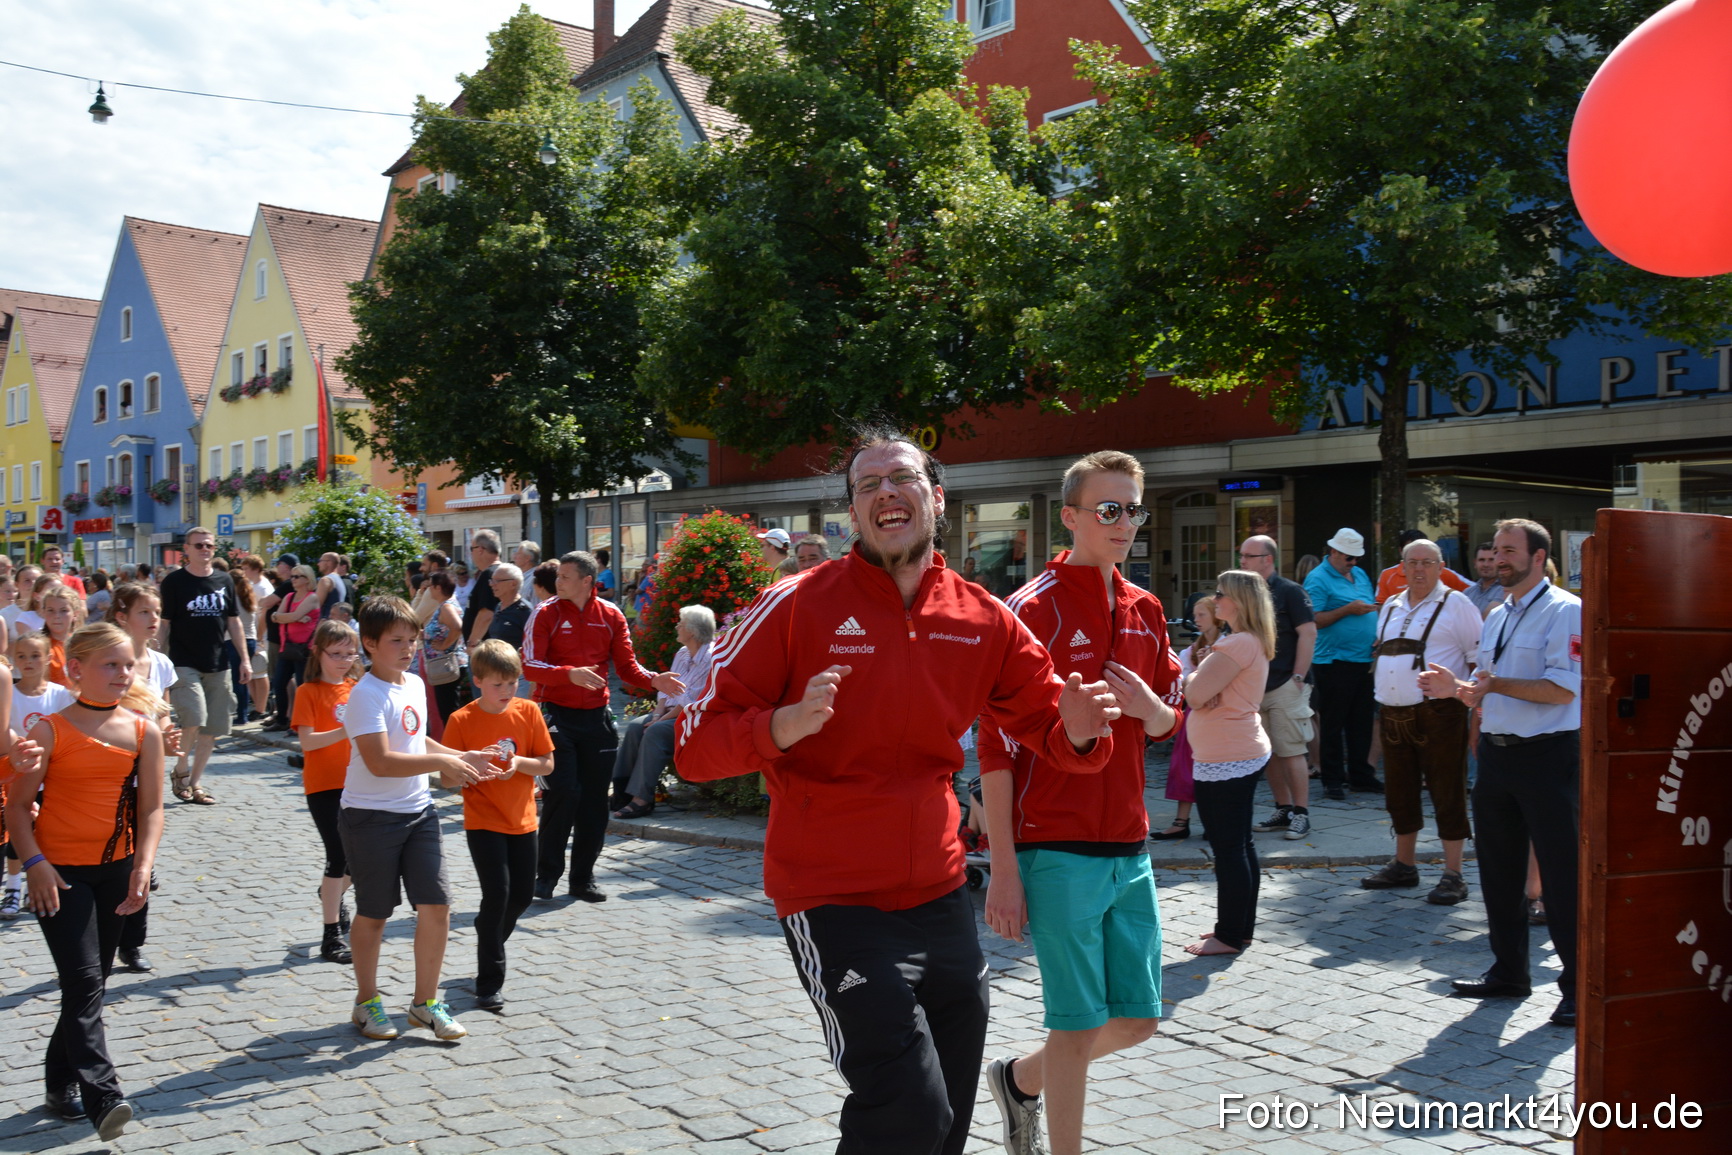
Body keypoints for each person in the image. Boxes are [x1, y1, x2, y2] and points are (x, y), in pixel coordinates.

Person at [676, 429, 1120, 1155]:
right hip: (833, 896)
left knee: (945, 1117)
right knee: (907, 1103)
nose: (886, 491)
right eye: (867, 484)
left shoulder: (981, 616)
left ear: (935, 499)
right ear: (853, 511)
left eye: (902, 477)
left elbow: (1050, 726)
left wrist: (1075, 731)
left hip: (940, 892)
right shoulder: (792, 606)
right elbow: (693, 745)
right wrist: (781, 725)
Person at [976, 450, 1181, 1155]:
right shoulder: (1030, 609)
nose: (1124, 522)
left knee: (1138, 1018)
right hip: (1055, 845)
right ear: (1071, 516)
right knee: (1075, 1022)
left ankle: (1019, 1080)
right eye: (1109, 508)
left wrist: (1155, 711)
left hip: (1131, 842)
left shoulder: (1147, 608)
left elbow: (1167, 718)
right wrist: (1003, 868)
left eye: (1133, 508)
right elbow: (995, 748)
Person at [1421, 519, 1582, 1027]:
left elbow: (1563, 689)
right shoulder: (1496, 613)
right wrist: (1459, 689)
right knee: (1498, 870)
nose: (1500, 557)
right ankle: (1509, 971)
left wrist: (1491, 686)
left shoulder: (1566, 611)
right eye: (1496, 549)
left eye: (1511, 550)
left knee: (1561, 877)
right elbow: (1484, 686)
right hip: (1496, 755)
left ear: (1539, 557)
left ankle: (1578, 986)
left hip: (1550, 756)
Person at [8, 623, 161, 1141]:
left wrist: (142, 865)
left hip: (118, 872)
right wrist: (34, 865)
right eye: (109, 665)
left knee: (89, 985)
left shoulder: (144, 731)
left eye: (127, 665)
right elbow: (17, 812)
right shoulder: (49, 730)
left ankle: (57, 1086)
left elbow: (153, 807)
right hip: (59, 876)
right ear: (75, 669)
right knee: (82, 982)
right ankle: (104, 1094)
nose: (123, 674)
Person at [339, 596, 501, 1042]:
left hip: (419, 812)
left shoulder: (412, 683)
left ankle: (424, 1004)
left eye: (413, 639)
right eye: (397, 641)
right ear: (369, 644)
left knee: (437, 905)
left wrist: (459, 755)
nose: (409, 648)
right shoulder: (364, 695)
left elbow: (417, 739)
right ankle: (366, 1001)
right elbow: (381, 762)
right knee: (374, 913)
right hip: (369, 817)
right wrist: (442, 765)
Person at [523, 551, 683, 902]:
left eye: (565, 577)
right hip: (555, 716)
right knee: (564, 792)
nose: (558, 582)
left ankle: (583, 879)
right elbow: (530, 666)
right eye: (558, 576)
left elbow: (627, 667)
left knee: (595, 802)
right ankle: (545, 876)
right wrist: (569, 675)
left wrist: (656, 680)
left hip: (596, 717)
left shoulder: (610, 615)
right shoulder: (545, 613)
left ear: (586, 582)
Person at [1361, 539, 1482, 904]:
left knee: (1447, 792)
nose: (1418, 570)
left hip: (1440, 714)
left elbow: (1479, 660)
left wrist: (1470, 702)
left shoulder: (1457, 603)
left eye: (1426, 563)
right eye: (1411, 563)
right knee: (1399, 792)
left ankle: (1454, 874)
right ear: (1401, 567)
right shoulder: (1392, 605)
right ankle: (1404, 864)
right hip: (1394, 714)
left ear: (1441, 566)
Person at [442, 640, 554, 1011]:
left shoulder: (529, 711)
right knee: (497, 895)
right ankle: (488, 982)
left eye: (512, 684)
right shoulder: (461, 720)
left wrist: (518, 765)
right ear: (477, 681)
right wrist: (469, 769)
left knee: (521, 896)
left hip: (523, 819)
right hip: (483, 820)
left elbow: (547, 765)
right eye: (497, 685)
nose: (506, 692)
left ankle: (487, 933)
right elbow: (445, 779)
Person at [1181, 569, 1276, 957]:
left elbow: (1195, 694)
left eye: (1220, 594)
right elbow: (1205, 693)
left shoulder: (1237, 643)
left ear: (1237, 600)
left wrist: (1194, 677)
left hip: (1229, 756)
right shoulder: (1244, 642)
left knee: (1229, 848)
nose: (1214, 599)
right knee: (1239, 845)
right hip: (1233, 752)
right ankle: (1238, 928)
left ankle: (1230, 935)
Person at [107, 583, 181, 971]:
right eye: (145, 613)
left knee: (140, 860)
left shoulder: (161, 663)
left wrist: (168, 732)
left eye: (156, 612)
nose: (154, 619)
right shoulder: (109, 660)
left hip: (146, 772)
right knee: (115, 858)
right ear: (122, 616)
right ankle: (107, 932)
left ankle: (133, 943)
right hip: (111, 769)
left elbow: (162, 712)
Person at [157, 528, 249, 806]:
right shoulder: (174, 582)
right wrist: (157, 660)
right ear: (187, 548)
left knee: (212, 728)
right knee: (194, 719)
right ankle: (181, 774)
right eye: (199, 545)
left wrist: (244, 658)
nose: (205, 549)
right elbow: (165, 624)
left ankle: (195, 783)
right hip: (184, 662)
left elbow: (234, 621)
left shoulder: (224, 580)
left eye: (209, 545)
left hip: (218, 662)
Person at [1235, 536, 1318, 836]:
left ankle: (1301, 813)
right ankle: (1283, 809)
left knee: (1292, 750)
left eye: (1248, 555)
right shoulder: (1247, 592)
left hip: (1286, 683)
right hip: (1257, 685)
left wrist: (1298, 677)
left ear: (1267, 559)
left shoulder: (1290, 591)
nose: (1242, 560)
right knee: (1267, 752)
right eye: (1241, 555)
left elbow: (1308, 633)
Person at [292, 620, 361, 965]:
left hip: (359, 783)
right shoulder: (309, 691)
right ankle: (330, 936)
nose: (345, 660)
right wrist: (344, 730)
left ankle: (330, 892)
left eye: (350, 653)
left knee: (357, 859)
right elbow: (307, 742)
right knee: (338, 854)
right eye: (336, 653)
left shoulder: (358, 687)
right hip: (323, 785)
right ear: (317, 652)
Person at [611, 605, 715, 819]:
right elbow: (666, 692)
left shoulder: (710, 658)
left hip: (693, 718)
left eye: (681, 623)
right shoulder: (683, 653)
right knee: (634, 728)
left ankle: (642, 799)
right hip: (670, 713)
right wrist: (657, 715)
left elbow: (689, 701)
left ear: (693, 631)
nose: (676, 626)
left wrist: (659, 721)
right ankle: (621, 793)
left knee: (654, 733)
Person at [1303, 528, 1383, 801]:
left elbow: (1370, 606)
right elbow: (1313, 618)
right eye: (1349, 557)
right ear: (1334, 552)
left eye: (1356, 558)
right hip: (1333, 661)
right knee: (1334, 722)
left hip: (1362, 660)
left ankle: (1361, 775)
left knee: (1361, 721)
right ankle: (1332, 779)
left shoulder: (1359, 574)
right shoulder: (1318, 578)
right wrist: (1347, 610)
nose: (1353, 563)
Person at [0, 636, 67, 922]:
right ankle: (14, 886)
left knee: (42, 835)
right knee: (17, 839)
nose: (28, 662)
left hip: (45, 778)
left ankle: (36, 882)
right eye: (22, 656)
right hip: (17, 780)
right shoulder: (11, 687)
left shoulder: (60, 694)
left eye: (35, 656)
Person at [1152, 594, 1220, 840]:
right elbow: (1187, 687)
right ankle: (1181, 822)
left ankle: (1213, 821)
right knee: (1184, 766)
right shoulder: (1193, 649)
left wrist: (1203, 684)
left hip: (1219, 718)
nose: (1196, 619)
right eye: (1195, 615)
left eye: (1202, 615)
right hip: (1195, 715)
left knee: (1212, 769)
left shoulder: (1227, 645)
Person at [264, 566, 320, 735]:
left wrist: (285, 617)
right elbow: (275, 617)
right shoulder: (289, 597)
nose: (293, 579)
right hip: (287, 647)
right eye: (292, 576)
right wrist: (291, 617)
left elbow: (285, 616)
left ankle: (302, 724)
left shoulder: (312, 598)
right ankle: (282, 719)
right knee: (280, 683)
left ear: (307, 579)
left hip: (304, 650)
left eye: (297, 576)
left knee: (303, 688)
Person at [420, 571, 466, 728]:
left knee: (448, 711)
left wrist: (444, 645)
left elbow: (457, 627)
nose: (429, 590)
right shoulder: (447, 604)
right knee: (447, 710)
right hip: (444, 665)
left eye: (431, 587)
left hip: (446, 666)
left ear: (438, 587)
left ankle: (456, 746)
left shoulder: (446, 606)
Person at [1375, 530, 1470, 605]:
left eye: (1426, 562)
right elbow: (1380, 605)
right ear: (1401, 551)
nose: (1419, 568)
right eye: (1411, 550)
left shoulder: (1442, 572)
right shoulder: (1387, 575)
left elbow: (1475, 589)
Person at [258, 554, 297, 724]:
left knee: (280, 678)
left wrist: (266, 603)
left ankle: (285, 713)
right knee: (281, 678)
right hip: (278, 636)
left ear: (286, 566)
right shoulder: (286, 585)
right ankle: (283, 712)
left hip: (279, 638)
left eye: (279, 564)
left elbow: (266, 602)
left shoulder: (288, 585)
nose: (277, 567)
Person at [222, 560, 260, 728]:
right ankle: (242, 713)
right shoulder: (249, 597)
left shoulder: (231, 599)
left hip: (233, 640)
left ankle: (241, 714)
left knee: (237, 680)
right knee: (243, 679)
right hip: (250, 639)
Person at [239, 554, 274, 721]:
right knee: (252, 673)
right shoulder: (253, 585)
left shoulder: (263, 588)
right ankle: (257, 706)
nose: (244, 572)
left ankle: (261, 707)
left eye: (246, 568)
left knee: (260, 672)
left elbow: (264, 615)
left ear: (255, 569)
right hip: (253, 633)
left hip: (261, 634)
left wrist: (259, 636)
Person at [463, 529, 503, 648]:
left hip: (483, 650)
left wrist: (472, 643)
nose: (471, 553)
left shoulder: (490, 574)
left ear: (480, 549)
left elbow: (486, 614)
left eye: (472, 549)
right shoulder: (502, 572)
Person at [482, 564, 532, 649]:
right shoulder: (499, 607)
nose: (491, 584)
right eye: (491, 580)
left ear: (513, 584)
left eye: (497, 581)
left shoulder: (525, 612)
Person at [1464, 540, 1502, 619]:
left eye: (1491, 560)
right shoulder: (1467, 593)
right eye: (1482, 560)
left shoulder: (1506, 591)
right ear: (1475, 563)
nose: (1486, 564)